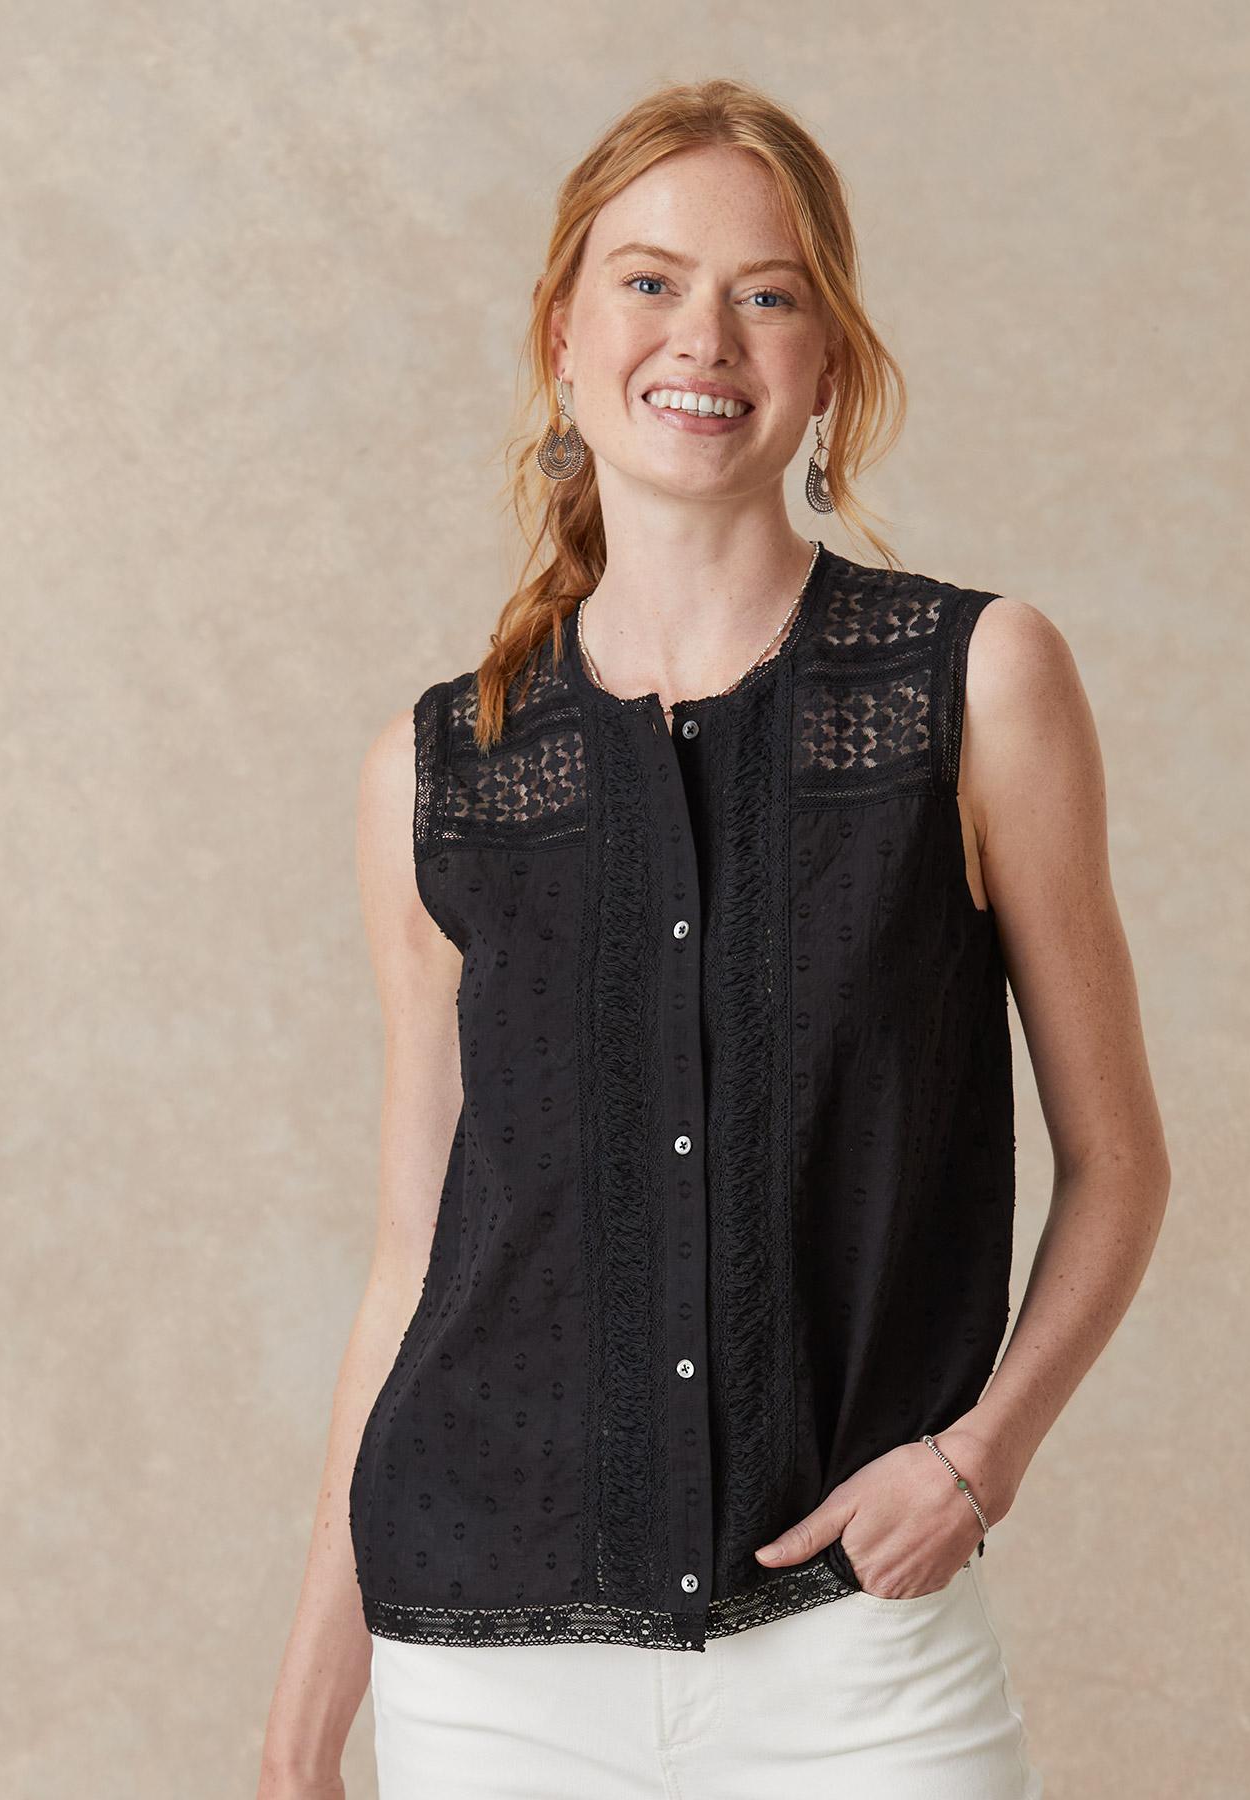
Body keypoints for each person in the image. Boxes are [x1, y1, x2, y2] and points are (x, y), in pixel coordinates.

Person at [259, 76, 1169, 1800]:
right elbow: (413, 1260)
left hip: (859, 1656)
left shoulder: (975, 685)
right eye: (651, 282)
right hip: (487, 1669)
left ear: (828, 364)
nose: (707, 338)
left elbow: (1118, 1165)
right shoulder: (436, 774)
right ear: (564, 337)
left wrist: (981, 1459)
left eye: (769, 293)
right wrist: (308, 1721)